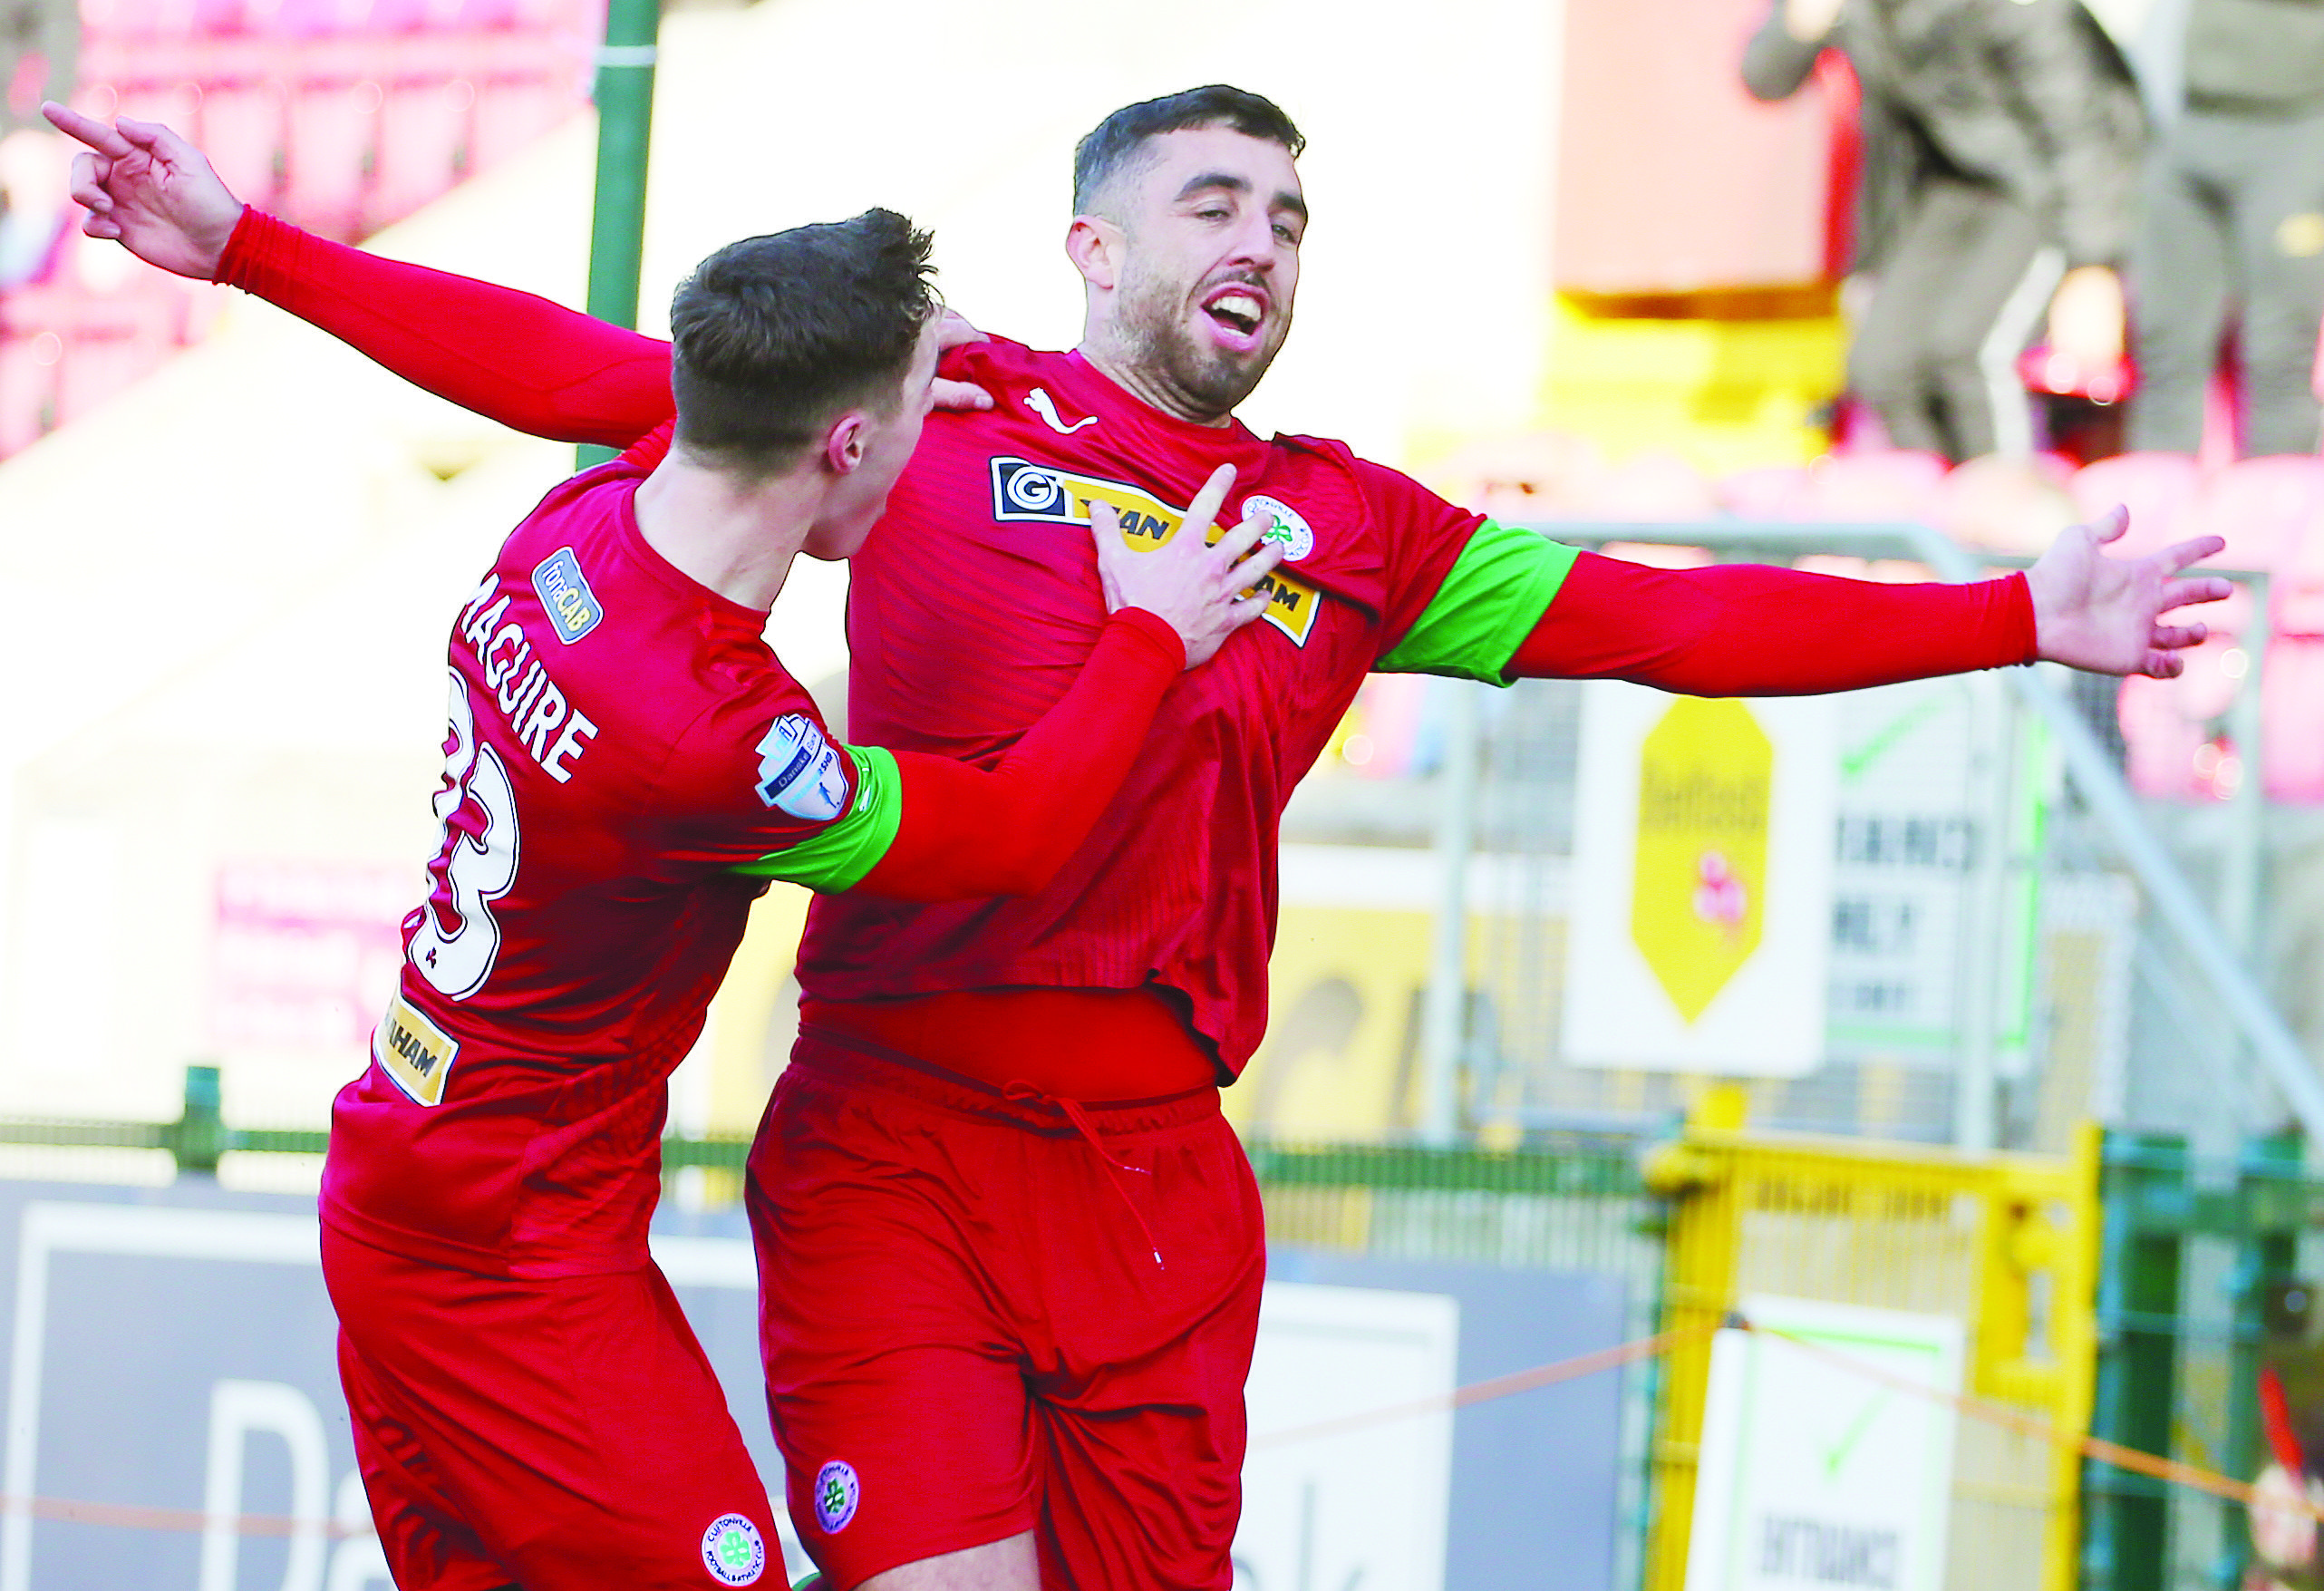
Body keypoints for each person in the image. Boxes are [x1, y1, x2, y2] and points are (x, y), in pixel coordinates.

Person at [50, 85, 2230, 1591]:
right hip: (897, 1148)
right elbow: (583, 373)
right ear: (1089, 244)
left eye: (1289, 219)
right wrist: (247, 247)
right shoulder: (925, 421)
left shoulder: (1348, 528)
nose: (1260, 246)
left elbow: (1656, 616)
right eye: (1214, 205)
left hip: (1164, 1195)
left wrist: (2019, 614)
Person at [42, 104, 1286, 1591]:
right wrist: (1149, 630)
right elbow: (1011, 838)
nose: (945, 440)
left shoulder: (580, 520)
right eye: (919, 407)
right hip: (516, 1261)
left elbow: (547, 361)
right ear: (843, 441)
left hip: (398, 1188)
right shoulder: (717, 739)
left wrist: (242, 247)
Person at [1743, 0, 2145, 461]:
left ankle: (2009, 512)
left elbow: (2082, 131)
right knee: (1881, 366)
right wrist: (1802, 22)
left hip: (2040, 188)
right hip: (1944, 189)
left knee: (1972, 355)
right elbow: (1764, 77)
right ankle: (1936, 511)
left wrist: (2093, 266)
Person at [2125, 0, 2324, 455]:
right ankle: (2157, 514)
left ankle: (2270, 513)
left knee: (2279, 354)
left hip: (2296, 124)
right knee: (2164, 346)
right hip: (2185, 117)